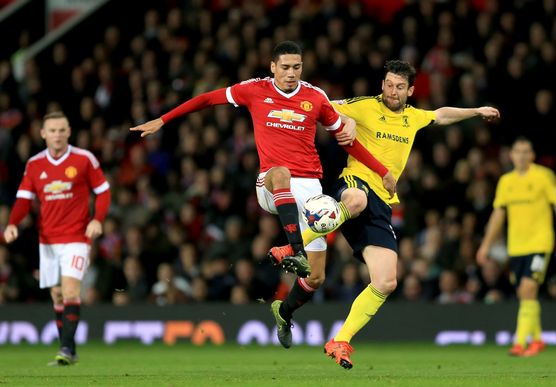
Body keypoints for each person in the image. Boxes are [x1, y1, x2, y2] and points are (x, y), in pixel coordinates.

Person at [269, 60, 500, 368]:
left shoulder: (413, 117)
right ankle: (292, 246)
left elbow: (441, 115)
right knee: (356, 199)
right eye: (389, 85)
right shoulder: (363, 106)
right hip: (354, 183)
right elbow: (321, 106)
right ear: (382, 84)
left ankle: (341, 340)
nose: (393, 91)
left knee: (387, 280)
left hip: (383, 203)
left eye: (400, 87)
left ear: (411, 90)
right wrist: (313, 114)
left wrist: (476, 110)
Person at [129, 39, 394, 303]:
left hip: (310, 188)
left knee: (316, 277)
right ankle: (296, 248)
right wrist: (163, 119)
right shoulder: (254, 89)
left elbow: (347, 141)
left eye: (297, 67)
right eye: (286, 67)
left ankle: (284, 313)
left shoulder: (315, 97)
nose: (291, 73)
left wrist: (382, 171)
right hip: (271, 182)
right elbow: (208, 98)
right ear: (273, 67)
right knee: (280, 173)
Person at [3, 111, 111, 365]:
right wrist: (12, 223)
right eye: (52, 130)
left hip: (77, 236)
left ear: (69, 132)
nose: (57, 135)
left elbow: (103, 192)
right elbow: (23, 199)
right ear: (43, 134)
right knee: (57, 295)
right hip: (48, 240)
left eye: (62, 130)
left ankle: (65, 348)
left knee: (71, 289)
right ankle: (70, 351)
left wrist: (98, 219)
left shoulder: (84, 159)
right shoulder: (34, 164)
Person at [476, 137, 556, 357]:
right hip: (516, 247)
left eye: (525, 151)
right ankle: (538, 340)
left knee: (529, 288)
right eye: (517, 151)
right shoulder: (506, 181)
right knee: (524, 294)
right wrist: (485, 245)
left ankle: (519, 343)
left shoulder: (544, 176)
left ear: (532, 155)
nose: (521, 155)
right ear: (511, 155)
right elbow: (498, 215)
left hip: (540, 242)